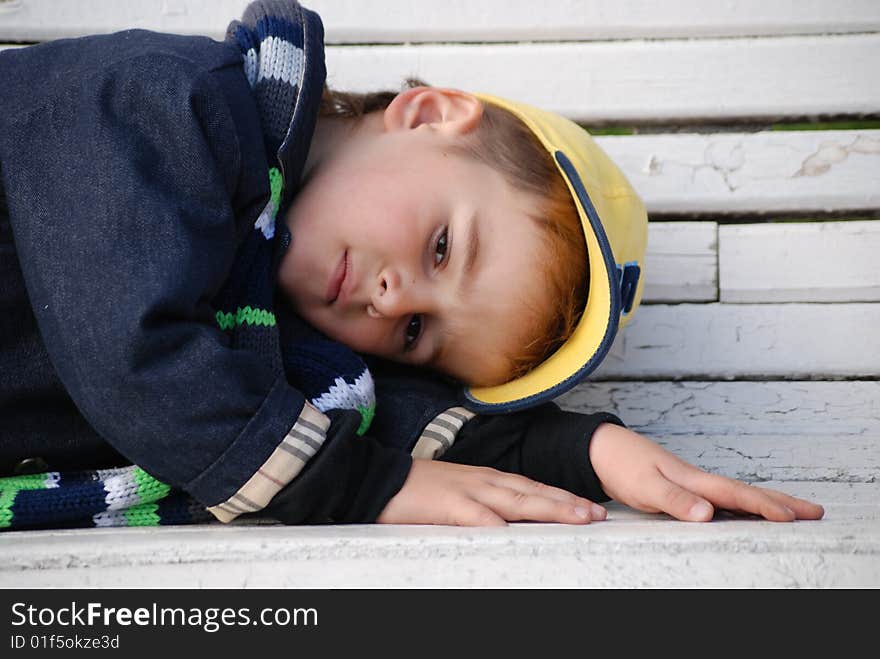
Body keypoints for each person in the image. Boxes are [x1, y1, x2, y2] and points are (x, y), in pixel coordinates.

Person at [0, 0, 823, 530]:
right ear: (428, 116)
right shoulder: (170, 102)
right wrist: (365, 487)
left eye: (420, 332)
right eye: (441, 246)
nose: (393, 302)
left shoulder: (265, 336)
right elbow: (128, 347)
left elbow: (378, 414)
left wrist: (588, 452)